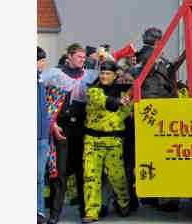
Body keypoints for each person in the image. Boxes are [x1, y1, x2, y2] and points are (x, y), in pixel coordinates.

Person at [41, 43, 99, 224]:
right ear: (69, 57)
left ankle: (85, 211)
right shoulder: (55, 74)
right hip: (62, 128)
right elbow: (42, 94)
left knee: (83, 170)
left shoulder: (89, 75)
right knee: (60, 172)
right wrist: (52, 123)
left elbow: (111, 73)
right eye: (79, 57)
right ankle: (55, 214)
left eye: (84, 57)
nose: (83, 60)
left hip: (82, 128)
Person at [81, 61, 133, 223]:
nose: (104, 76)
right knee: (90, 176)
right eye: (102, 73)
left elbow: (126, 111)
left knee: (118, 177)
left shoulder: (123, 93)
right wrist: (118, 103)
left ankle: (124, 202)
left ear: (115, 76)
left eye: (108, 74)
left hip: (114, 140)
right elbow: (105, 102)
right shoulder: (93, 90)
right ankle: (91, 211)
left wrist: (121, 106)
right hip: (92, 141)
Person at [38, 47, 50, 223]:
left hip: (42, 137)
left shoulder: (41, 81)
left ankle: (38, 211)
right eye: (41, 61)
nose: (44, 64)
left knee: (39, 177)